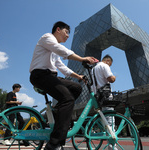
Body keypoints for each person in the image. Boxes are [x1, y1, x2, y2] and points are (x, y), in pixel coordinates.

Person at [29, 21, 98, 150]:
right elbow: (62, 50)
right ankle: (54, 144)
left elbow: (62, 67)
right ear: (58, 29)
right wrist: (82, 59)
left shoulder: (54, 50)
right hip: (40, 75)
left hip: (51, 76)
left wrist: (79, 77)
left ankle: (57, 112)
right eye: (66, 32)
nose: (67, 36)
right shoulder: (47, 38)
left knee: (76, 88)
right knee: (68, 99)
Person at [91, 54, 117, 150]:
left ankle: (109, 144)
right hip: (106, 95)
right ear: (107, 61)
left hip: (98, 96)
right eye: (110, 64)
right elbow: (111, 79)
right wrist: (114, 77)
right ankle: (112, 146)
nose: (109, 66)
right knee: (110, 120)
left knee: (104, 119)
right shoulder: (104, 65)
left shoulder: (93, 69)